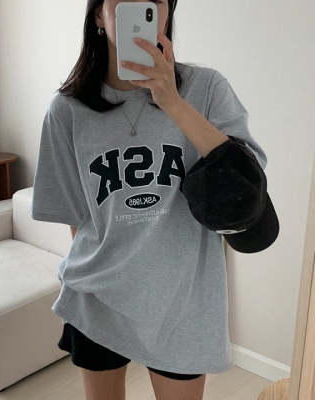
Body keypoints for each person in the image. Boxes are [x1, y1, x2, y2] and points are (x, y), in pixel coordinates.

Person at [31, 1, 278, 399]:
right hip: (96, 298)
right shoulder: (66, 110)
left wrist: (173, 102)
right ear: (99, 15)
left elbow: (247, 181)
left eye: (154, 0)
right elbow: (78, 219)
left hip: (184, 302)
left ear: (167, 12)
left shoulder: (207, 88)